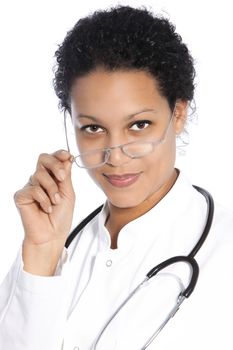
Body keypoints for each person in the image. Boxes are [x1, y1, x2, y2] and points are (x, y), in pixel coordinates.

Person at [0, 5, 232, 350]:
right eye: (93, 128)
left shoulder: (222, 251)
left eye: (139, 125)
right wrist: (43, 252)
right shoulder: (54, 250)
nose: (116, 155)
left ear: (178, 114)